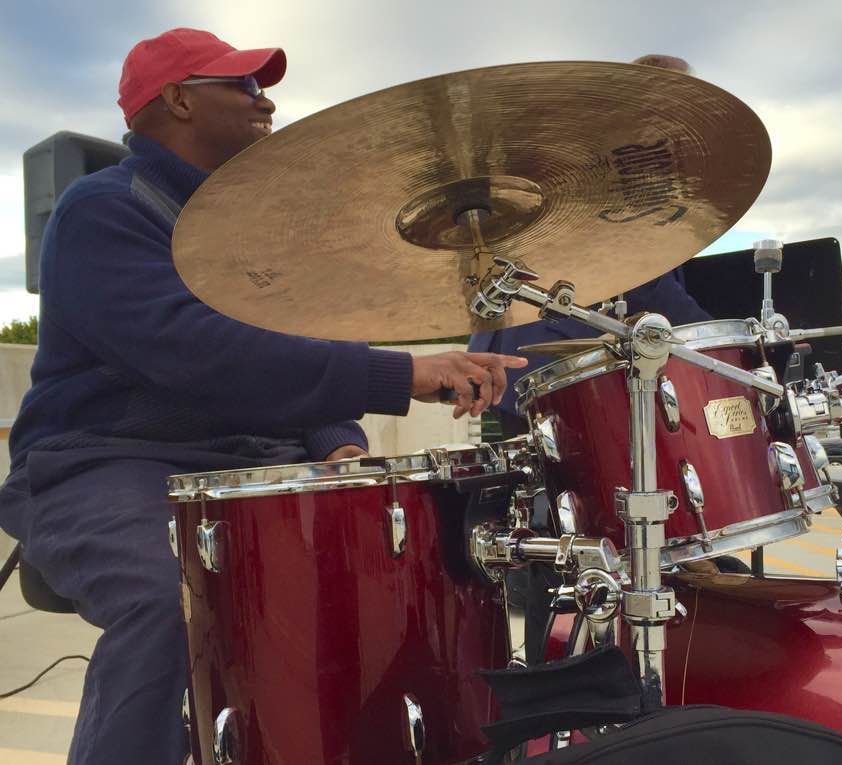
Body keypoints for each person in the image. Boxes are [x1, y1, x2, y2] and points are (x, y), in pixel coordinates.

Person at [0, 28, 525, 765]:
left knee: (397, 569)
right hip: (105, 463)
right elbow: (197, 352)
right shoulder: (102, 210)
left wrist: (337, 444)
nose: (265, 100)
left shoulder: (250, 240)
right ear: (178, 99)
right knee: (175, 597)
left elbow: (289, 356)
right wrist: (403, 373)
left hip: (248, 461)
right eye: (243, 85)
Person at [469, 54, 712, 437]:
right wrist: (727, 344)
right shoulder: (626, 169)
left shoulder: (595, 159)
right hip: (544, 365)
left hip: (513, 357)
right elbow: (643, 280)